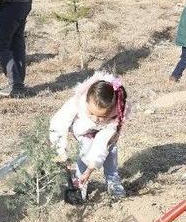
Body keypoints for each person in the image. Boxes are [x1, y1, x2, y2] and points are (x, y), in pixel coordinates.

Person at [49, 71, 129, 202]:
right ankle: (80, 182)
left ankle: (112, 180)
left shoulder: (115, 116)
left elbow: (102, 145)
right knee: (85, 149)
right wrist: (61, 152)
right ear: (86, 100)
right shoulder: (77, 102)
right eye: (91, 113)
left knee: (111, 150)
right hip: (83, 131)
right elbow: (58, 124)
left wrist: (90, 171)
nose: (95, 119)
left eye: (102, 116)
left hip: (105, 134)